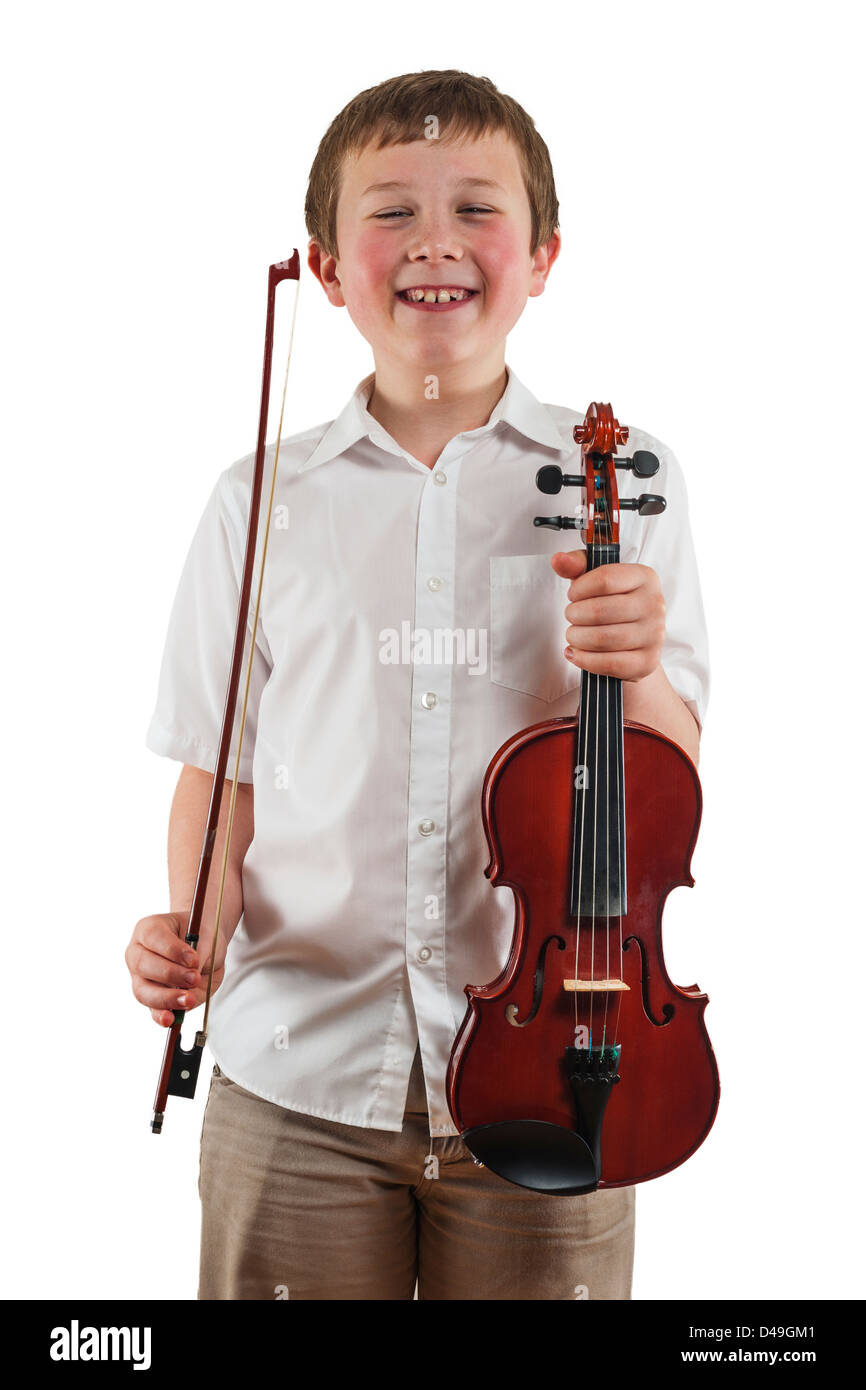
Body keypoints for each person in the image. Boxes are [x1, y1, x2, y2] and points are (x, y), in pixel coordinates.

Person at [126, 69, 709, 1300]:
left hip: (567, 1065)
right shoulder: (258, 500)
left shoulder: (627, 479)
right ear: (326, 269)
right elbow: (219, 776)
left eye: (475, 210)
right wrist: (190, 925)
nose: (433, 241)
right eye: (389, 211)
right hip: (299, 1077)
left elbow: (668, 783)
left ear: (542, 256)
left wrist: (637, 662)